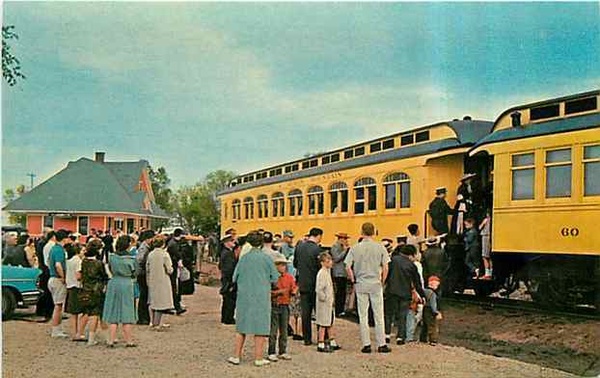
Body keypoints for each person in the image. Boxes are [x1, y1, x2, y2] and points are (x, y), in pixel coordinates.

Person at [227, 231, 279, 367]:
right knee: (260, 327)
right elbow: (275, 277)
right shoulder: (266, 258)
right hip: (261, 296)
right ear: (262, 243)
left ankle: (236, 356)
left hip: (244, 296)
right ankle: (258, 357)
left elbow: (234, 277)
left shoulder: (244, 258)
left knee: (241, 327)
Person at [345, 222, 391, 353]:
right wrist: (382, 281)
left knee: (363, 315)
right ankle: (381, 344)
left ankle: (366, 344)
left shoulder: (355, 248)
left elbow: (347, 266)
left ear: (362, 232)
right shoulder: (380, 247)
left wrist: (353, 279)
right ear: (374, 232)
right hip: (375, 283)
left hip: (361, 283)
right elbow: (386, 267)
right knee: (378, 314)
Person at [384, 244, 425, 345]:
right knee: (403, 314)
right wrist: (422, 295)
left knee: (389, 314)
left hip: (391, 291)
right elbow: (417, 282)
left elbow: (386, 274)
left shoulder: (393, 260)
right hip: (405, 293)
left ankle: (387, 335)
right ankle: (400, 337)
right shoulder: (412, 265)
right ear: (411, 255)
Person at [103, 235, 138, 347]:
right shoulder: (131, 259)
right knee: (127, 311)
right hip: (126, 283)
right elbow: (135, 272)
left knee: (114, 311)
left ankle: (111, 340)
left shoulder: (112, 257)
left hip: (114, 282)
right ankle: (129, 341)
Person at [293, 227, 323, 346]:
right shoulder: (317, 249)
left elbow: (295, 264)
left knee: (306, 312)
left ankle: (307, 338)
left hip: (303, 283)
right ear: (318, 236)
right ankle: (321, 337)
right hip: (315, 283)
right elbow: (320, 266)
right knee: (319, 312)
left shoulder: (299, 247)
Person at [268, 255, 297, 361]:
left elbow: (293, 288)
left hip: (285, 305)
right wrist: (279, 292)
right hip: (274, 305)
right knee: (273, 330)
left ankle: (282, 350)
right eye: (281, 265)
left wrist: (293, 291)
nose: (283, 267)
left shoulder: (289, 277)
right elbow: (268, 292)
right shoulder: (271, 278)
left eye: (284, 265)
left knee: (284, 330)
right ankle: (271, 351)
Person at [80, 239, 108, 346]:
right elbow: (104, 276)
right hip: (97, 290)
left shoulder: (84, 262)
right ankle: (93, 338)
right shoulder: (98, 263)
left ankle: (95, 336)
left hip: (86, 288)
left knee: (89, 313)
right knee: (96, 315)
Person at [146, 236, 174, 330]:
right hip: (163, 280)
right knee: (161, 302)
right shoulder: (165, 254)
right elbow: (169, 269)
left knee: (153, 301)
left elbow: (147, 268)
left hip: (152, 279)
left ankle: (152, 321)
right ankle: (158, 323)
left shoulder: (150, 254)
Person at [315, 252, 340, 353]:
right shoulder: (322, 273)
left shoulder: (327, 272)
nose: (331, 263)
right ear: (322, 263)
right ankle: (320, 342)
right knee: (323, 323)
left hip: (328, 302)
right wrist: (324, 298)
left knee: (329, 322)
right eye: (328, 261)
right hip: (324, 303)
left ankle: (332, 340)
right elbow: (319, 289)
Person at [47, 229, 70, 338]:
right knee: (58, 306)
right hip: (57, 279)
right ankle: (55, 330)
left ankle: (57, 328)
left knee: (58, 305)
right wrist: (63, 277)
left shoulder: (53, 249)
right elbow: (58, 265)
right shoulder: (59, 250)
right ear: (65, 239)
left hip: (52, 278)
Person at [65, 243, 85, 341]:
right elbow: (78, 276)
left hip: (70, 286)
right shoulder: (78, 261)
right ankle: (78, 332)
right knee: (81, 312)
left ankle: (74, 332)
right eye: (82, 251)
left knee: (73, 313)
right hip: (77, 287)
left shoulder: (69, 261)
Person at [135, 229, 155, 325]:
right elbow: (140, 260)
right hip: (142, 274)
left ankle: (144, 317)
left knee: (145, 295)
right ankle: (142, 317)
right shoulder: (144, 248)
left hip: (142, 273)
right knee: (144, 295)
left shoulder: (145, 247)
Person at [166, 228, 186, 315]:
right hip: (173, 267)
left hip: (173, 266)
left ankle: (175, 305)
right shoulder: (174, 244)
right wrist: (180, 260)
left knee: (173, 286)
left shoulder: (172, 242)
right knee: (173, 287)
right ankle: (176, 306)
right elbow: (178, 254)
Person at [330, 232, 350, 317]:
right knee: (339, 293)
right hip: (338, 273)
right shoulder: (334, 247)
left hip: (344, 273)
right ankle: (338, 311)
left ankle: (342, 310)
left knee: (343, 292)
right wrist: (345, 251)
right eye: (345, 239)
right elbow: (336, 258)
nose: (346, 241)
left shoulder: (344, 248)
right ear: (340, 239)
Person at [219, 234, 237, 325]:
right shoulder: (228, 254)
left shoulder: (225, 252)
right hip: (228, 280)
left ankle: (225, 317)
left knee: (226, 299)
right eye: (232, 241)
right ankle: (228, 318)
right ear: (226, 243)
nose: (234, 243)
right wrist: (232, 281)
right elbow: (229, 269)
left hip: (225, 279)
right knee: (230, 299)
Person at [421, 275, 443, 346]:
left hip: (425, 308)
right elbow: (433, 304)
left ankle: (423, 338)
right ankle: (433, 340)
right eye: (436, 285)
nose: (437, 286)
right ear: (432, 284)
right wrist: (436, 312)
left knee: (425, 324)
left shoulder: (424, 290)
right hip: (430, 310)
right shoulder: (433, 293)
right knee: (432, 326)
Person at [479, 210, 493, 280]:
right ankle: (490, 273)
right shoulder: (493, 220)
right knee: (490, 257)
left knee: (484, 256)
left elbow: (480, 227)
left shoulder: (486, 220)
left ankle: (487, 274)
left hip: (485, 236)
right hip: (491, 237)